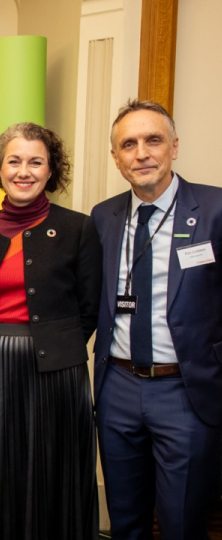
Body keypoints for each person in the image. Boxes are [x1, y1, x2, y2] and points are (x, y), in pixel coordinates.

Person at [0, 123, 101, 540]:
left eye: (36, 161)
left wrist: (56, 348)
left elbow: (90, 309)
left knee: (53, 471)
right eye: (14, 161)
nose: (24, 171)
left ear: (51, 170)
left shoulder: (80, 228)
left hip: (58, 374)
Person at [92, 99, 222, 539]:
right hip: (118, 388)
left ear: (175, 147)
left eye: (153, 140)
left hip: (186, 389)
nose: (142, 153)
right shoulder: (103, 217)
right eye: (128, 144)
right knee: (125, 519)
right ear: (116, 157)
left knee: (182, 521)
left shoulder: (215, 209)